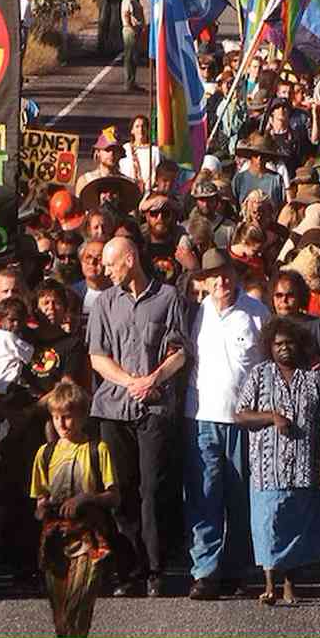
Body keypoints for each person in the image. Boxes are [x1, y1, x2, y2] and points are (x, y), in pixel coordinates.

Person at [87, 238, 188, 597]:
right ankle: (129, 569)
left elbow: (180, 352)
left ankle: (157, 570)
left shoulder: (169, 298)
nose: (106, 270)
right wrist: (131, 381)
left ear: (130, 260)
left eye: (111, 264)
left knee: (153, 489)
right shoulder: (103, 303)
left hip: (155, 407)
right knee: (123, 491)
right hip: (115, 408)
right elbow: (98, 357)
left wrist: (154, 379)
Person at [234, 316, 320, 606]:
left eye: (289, 343)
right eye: (278, 344)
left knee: (295, 527)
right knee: (268, 525)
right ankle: (269, 584)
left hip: (305, 466)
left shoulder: (316, 377)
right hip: (268, 468)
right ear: (269, 346)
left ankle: (290, 584)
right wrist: (271, 417)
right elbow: (240, 413)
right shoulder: (259, 374)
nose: (284, 349)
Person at [183, 250, 268, 600]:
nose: (222, 282)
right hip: (202, 416)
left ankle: (237, 569)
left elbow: (267, 367)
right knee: (204, 496)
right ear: (203, 280)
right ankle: (205, 571)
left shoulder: (256, 313)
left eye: (227, 274)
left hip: (244, 420)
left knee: (240, 497)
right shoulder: (194, 314)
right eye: (213, 276)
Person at [31, 383, 119, 638]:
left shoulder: (96, 450)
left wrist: (86, 498)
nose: (62, 424)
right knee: (60, 617)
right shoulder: (45, 454)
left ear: (82, 416)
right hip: (55, 538)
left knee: (77, 607)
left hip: (88, 538)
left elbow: (114, 496)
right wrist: (42, 508)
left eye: (68, 416)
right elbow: (40, 497)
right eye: (56, 417)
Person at [232, 134, 286, 212]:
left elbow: (281, 207)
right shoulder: (239, 179)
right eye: (256, 155)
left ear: (268, 157)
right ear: (250, 156)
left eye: (263, 155)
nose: (259, 159)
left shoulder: (276, 179)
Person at [119, 115, 164, 193]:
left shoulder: (155, 151)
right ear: (132, 130)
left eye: (143, 126)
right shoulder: (125, 149)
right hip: (126, 191)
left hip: (148, 193)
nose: (141, 129)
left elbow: (158, 174)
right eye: (137, 126)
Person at [121, 0, 146, 91]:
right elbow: (126, 14)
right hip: (130, 31)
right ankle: (128, 83)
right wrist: (131, 28)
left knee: (134, 57)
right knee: (129, 57)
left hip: (136, 30)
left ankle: (132, 81)